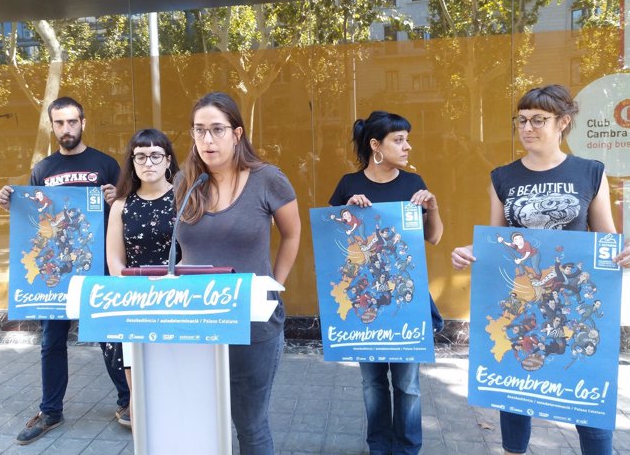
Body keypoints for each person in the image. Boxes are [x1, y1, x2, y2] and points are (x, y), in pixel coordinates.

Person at [451, 84, 630, 455]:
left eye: (538, 120)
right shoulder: (502, 177)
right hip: (524, 296)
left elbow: (606, 239)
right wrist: (471, 251)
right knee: (517, 390)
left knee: (588, 397)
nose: (527, 128)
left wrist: (625, 253)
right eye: (521, 121)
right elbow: (498, 241)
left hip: (570, 297)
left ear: (563, 122)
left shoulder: (589, 172)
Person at [0, 96, 131, 444]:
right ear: (52, 126)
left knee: (109, 337)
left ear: (83, 122)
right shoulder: (42, 169)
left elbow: (126, 210)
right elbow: (36, 219)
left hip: (95, 267)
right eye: (60, 123)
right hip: (55, 273)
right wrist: (10, 202)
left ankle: (128, 402)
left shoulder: (105, 163)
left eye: (72, 122)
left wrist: (118, 197)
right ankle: (51, 410)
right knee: (51, 341)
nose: (66, 128)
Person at [174, 92, 301, 455]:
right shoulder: (186, 180)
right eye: (199, 131)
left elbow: (292, 234)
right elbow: (185, 248)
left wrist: (273, 285)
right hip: (195, 318)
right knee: (200, 419)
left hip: (252, 322)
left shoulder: (268, 179)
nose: (207, 140)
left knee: (250, 424)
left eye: (217, 130)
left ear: (237, 133)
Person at [329, 110, 444, 455]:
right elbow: (333, 245)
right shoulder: (349, 185)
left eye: (407, 138)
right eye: (399, 139)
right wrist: (345, 212)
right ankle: (378, 446)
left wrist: (433, 207)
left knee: (408, 383)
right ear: (376, 145)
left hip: (405, 299)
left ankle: (408, 447)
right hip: (366, 299)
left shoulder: (413, 182)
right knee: (372, 381)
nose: (407, 146)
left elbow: (434, 238)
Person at [105, 128, 180, 428]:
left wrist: (168, 284)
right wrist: (131, 290)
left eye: (155, 155)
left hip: (175, 297)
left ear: (168, 160)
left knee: (174, 378)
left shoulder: (184, 198)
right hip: (134, 300)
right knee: (138, 386)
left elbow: (193, 250)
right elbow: (114, 258)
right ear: (132, 161)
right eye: (140, 156)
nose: (148, 162)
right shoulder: (121, 205)